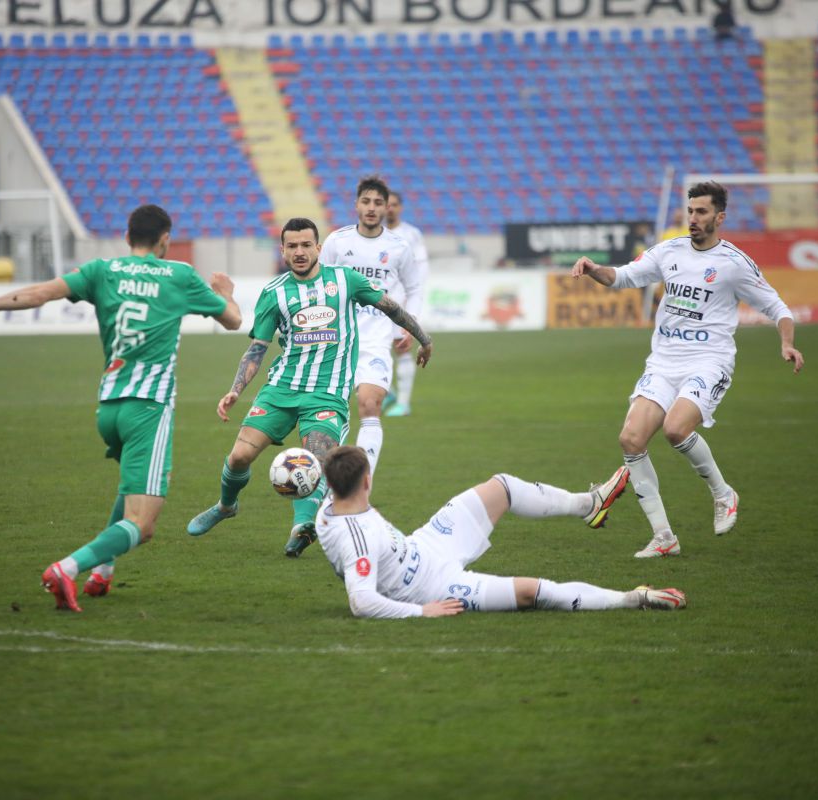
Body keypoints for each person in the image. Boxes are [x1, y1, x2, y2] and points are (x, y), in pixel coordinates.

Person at [0, 204, 241, 612]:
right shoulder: (179, 275)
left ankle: (103, 572)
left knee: (127, 487)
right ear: (165, 239)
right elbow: (234, 321)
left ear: (127, 236)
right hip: (148, 408)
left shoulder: (102, 271)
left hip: (109, 409)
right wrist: (225, 293)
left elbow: (38, 293)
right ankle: (67, 568)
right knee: (143, 524)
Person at [571, 181, 804, 559]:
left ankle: (723, 493)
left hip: (708, 361)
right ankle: (664, 537)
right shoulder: (669, 251)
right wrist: (594, 268)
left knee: (676, 429)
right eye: (690, 211)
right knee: (631, 439)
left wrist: (787, 343)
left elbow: (778, 307)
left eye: (701, 212)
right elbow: (625, 276)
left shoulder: (734, 264)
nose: (692, 219)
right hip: (663, 362)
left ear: (720, 217)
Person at [186, 217, 433, 558]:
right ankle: (226, 506)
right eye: (292, 246)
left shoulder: (345, 280)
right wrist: (235, 390)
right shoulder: (274, 293)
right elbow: (257, 348)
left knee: (313, 463)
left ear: (318, 248)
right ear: (283, 250)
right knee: (240, 456)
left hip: (326, 394)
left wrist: (423, 338)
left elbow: (389, 306)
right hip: (281, 388)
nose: (299, 252)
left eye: (306, 245)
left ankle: (302, 527)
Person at [315, 445, 684, 618]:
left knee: (502, 487)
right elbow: (361, 602)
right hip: (430, 587)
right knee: (532, 592)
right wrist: (421, 612)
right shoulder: (357, 539)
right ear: (367, 481)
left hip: (426, 543)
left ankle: (589, 504)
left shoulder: (332, 508)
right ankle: (631, 598)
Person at [319, 176, 423, 475]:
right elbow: (320, 285)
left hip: (376, 340)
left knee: (369, 406)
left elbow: (414, 289)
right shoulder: (337, 242)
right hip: (337, 341)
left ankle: (361, 482)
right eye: (366, 201)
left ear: (386, 207)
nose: (372, 208)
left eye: (379, 203)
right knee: (331, 416)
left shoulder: (399, 246)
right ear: (356, 205)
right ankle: (327, 484)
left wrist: (408, 326)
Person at [381, 190, 430, 418]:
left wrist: (412, 305)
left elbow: (420, 269)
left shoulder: (411, 234)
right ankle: (386, 391)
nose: (389, 208)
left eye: (394, 205)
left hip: (400, 303)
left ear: (400, 207)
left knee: (402, 350)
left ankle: (403, 402)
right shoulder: (374, 234)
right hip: (375, 303)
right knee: (366, 350)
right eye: (386, 204)